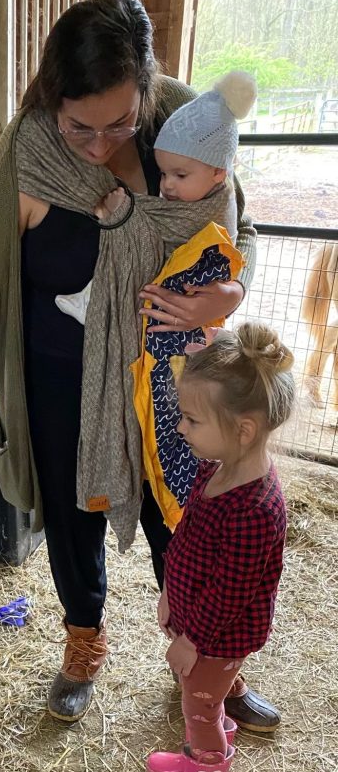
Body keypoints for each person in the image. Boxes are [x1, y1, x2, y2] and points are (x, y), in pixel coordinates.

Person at [0, 0, 281, 733]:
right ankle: (84, 641)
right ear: (52, 97)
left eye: (120, 122)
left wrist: (225, 299)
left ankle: (213, 660)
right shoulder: (27, 154)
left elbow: (238, 228)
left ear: (148, 90)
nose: (99, 142)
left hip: (170, 380)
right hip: (59, 378)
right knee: (72, 514)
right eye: (80, 124)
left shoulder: (187, 122)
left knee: (184, 522)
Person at [142, 322, 295, 772]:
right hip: (199, 625)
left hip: (218, 637)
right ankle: (197, 756)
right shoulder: (217, 466)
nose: (181, 428)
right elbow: (186, 537)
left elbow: (230, 595)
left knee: (199, 707)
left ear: (243, 429)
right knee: (203, 700)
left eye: (191, 419)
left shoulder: (256, 508)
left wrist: (192, 640)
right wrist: (170, 592)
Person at [94, 71, 255, 531]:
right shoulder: (196, 177)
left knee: (176, 435)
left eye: (178, 175)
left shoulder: (213, 201)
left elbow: (236, 231)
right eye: (162, 172)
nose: (165, 185)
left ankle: (183, 515)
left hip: (180, 342)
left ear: (220, 173)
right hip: (160, 336)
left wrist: (234, 290)